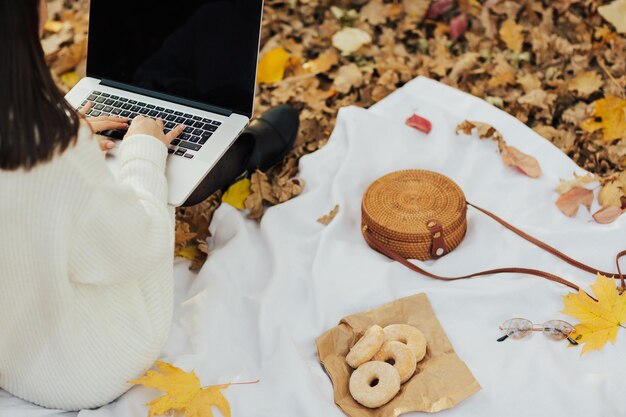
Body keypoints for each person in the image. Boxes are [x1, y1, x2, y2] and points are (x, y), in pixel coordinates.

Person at [0, 0, 297, 410]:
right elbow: (134, 248)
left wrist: (66, 132)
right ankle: (245, 152)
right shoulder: (51, 155)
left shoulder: (33, 141)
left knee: (170, 60)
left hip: (9, 355)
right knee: (158, 154)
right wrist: (141, 152)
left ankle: (229, 138)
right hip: (88, 368)